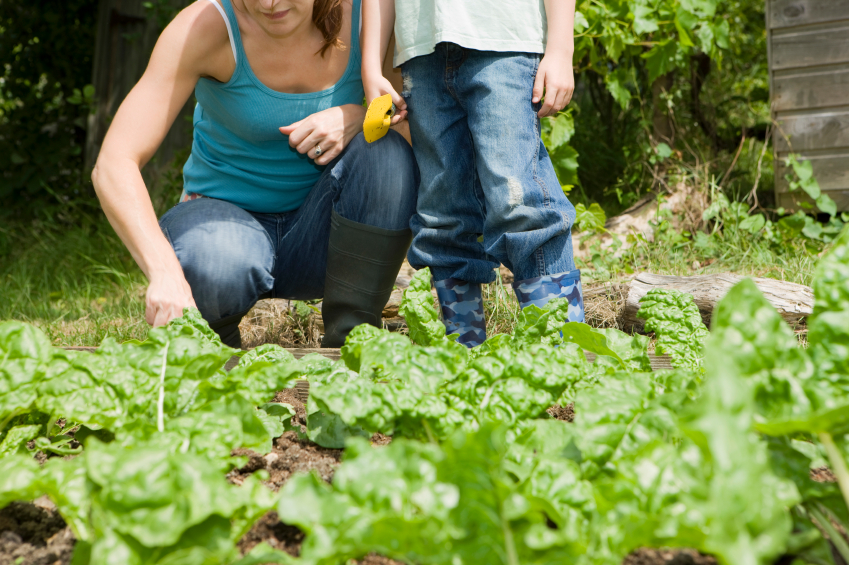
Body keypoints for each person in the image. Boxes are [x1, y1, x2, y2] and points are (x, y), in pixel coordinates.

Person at [91, 0, 418, 348]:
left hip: (327, 235)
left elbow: (414, 135)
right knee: (214, 258)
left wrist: (357, 116)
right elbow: (114, 163)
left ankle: (351, 346)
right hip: (225, 231)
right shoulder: (205, 27)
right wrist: (164, 273)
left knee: (387, 156)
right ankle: (215, 353)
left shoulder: (371, 21)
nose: (269, 3)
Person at [361, 0, 584, 348]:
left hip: (504, 42)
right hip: (421, 54)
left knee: (520, 203)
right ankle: (465, 358)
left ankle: (565, 351)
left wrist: (560, 47)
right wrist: (371, 65)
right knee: (442, 214)